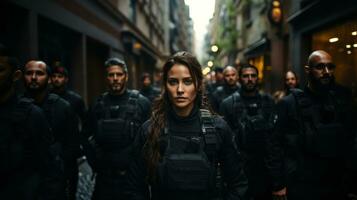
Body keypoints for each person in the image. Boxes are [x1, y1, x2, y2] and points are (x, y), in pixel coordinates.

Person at [126, 51, 248, 200]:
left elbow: (238, 183)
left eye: (187, 81)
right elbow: (134, 187)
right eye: (173, 82)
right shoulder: (149, 130)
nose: (180, 90)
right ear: (165, 85)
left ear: (198, 85)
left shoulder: (219, 129)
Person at [267, 50, 356, 200]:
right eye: (320, 67)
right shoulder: (289, 103)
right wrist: (278, 184)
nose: (326, 72)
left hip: (336, 182)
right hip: (303, 184)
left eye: (330, 67)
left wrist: (352, 183)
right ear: (308, 70)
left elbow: (351, 141)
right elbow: (274, 144)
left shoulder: (340, 100)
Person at [82, 57, 151, 200]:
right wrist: (95, 163)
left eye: (119, 74)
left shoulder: (142, 103)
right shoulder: (97, 105)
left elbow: (151, 139)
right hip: (104, 180)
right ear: (106, 77)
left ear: (126, 76)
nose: (115, 78)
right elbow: (85, 137)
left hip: (133, 180)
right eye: (111, 75)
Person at [0, 45, 52, 199]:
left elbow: (48, 170)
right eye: (30, 73)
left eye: (0, 70)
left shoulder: (32, 115)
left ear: (15, 76)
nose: (34, 77)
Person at [23, 60, 80, 200]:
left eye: (39, 73)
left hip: (53, 183)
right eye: (29, 73)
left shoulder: (63, 107)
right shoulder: (17, 106)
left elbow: (72, 148)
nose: (34, 77)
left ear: (48, 79)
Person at [220, 63, 275, 200]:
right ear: (240, 78)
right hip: (240, 168)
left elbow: (275, 139)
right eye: (245, 76)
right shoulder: (228, 104)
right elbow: (223, 141)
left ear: (258, 78)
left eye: (253, 76)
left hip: (264, 167)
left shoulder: (268, 101)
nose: (250, 79)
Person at [50, 62, 86, 200]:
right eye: (54, 76)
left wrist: (80, 143)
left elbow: (86, 122)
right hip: (51, 150)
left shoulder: (75, 100)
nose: (57, 79)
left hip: (70, 152)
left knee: (71, 188)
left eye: (60, 76)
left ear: (66, 79)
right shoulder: (46, 97)